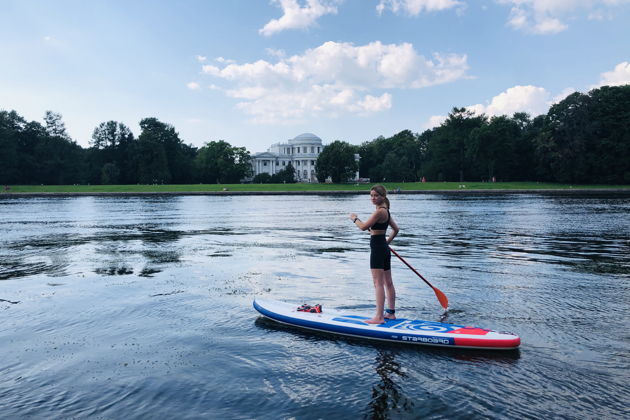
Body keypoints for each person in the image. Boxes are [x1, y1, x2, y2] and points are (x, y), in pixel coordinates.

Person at [350, 185, 400, 324]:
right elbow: (396, 229)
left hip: (378, 248)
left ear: (383, 197)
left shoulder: (379, 212)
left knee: (378, 283)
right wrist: (387, 243)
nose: (373, 198)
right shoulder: (386, 212)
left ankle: (379, 317)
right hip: (383, 247)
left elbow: (363, 227)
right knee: (388, 282)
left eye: (376, 195)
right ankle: (390, 313)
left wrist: (354, 218)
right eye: (371, 195)